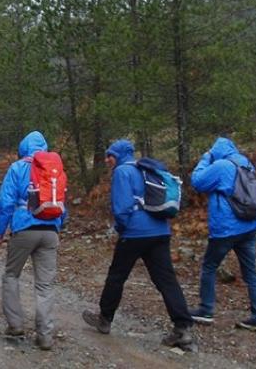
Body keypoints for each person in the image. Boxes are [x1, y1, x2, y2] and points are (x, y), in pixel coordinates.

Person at [81, 139, 197, 351]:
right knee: (166, 280)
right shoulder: (145, 169)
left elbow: (122, 207)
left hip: (135, 232)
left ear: (119, 155)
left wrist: (122, 228)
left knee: (117, 276)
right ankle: (183, 328)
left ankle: (104, 319)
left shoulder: (122, 172)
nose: (107, 159)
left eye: (110, 155)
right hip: (160, 231)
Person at [189, 137, 256, 332]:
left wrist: (205, 158)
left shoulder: (221, 165)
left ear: (216, 151)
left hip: (226, 228)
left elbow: (197, 182)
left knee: (209, 266)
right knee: (251, 273)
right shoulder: (245, 162)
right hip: (249, 225)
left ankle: (206, 310)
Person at [0, 131, 65, 351]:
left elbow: (6, 202)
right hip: (50, 230)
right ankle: (44, 336)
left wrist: (0, 231)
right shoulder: (55, 169)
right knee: (45, 285)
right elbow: (62, 202)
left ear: (23, 147)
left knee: (11, 275)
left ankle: (15, 325)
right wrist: (57, 226)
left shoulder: (18, 167)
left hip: (24, 229)